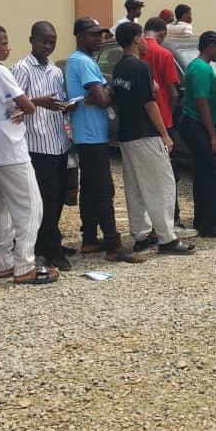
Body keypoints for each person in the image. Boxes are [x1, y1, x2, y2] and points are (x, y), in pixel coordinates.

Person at [0, 21, 57, 285]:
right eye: (4, 43)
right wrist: (29, 104)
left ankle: (4, 262)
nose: (8, 48)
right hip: (11, 150)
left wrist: (19, 106)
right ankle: (24, 265)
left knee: (1, 207)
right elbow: (28, 106)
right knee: (31, 207)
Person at [111, 23, 195, 255]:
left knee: (136, 186)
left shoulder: (119, 67)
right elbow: (150, 103)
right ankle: (167, 238)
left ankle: (141, 234)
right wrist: (165, 134)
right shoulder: (141, 67)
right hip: (145, 133)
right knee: (162, 185)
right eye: (142, 36)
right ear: (136, 39)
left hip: (126, 134)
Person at [66, 18, 136, 262]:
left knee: (90, 188)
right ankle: (113, 245)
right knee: (104, 189)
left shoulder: (85, 60)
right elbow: (105, 99)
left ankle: (89, 239)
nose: (100, 39)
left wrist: (104, 92)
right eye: (93, 35)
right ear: (80, 37)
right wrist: (105, 93)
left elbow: (105, 93)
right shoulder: (83, 62)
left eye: (101, 34)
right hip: (90, 134)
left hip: (89, 132)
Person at [10, 21, 74, 272]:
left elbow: (58, 101)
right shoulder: (21, 69)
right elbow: (10, 106)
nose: (48, 46)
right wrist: (37, 102)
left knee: (59, 196)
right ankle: (51, 250)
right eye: (43, 41)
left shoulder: (55, 71)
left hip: (58, 142)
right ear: (32, 40)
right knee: (46, 198)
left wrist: (68, 106)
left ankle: (46, 240)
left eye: (52, 41)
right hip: (36, 145)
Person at [141, 18, 193, 236]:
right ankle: (172, 220)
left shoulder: (136, 53)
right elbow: (173, 92)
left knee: (145, 176)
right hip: (163, 121)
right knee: (168, 174)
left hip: (141, 123)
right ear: (162, 34)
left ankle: (150, 224)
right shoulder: (164, 54)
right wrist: (169, 111)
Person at [179, 31, 216, 237]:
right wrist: (213, 136)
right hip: (198, 125)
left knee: (202, 173)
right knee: (214, 172)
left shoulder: (200, 66)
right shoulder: (200, 69)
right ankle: (212, 224)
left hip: (197, 125)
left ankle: (202, 220)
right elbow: (202, 103)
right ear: (211, 46)